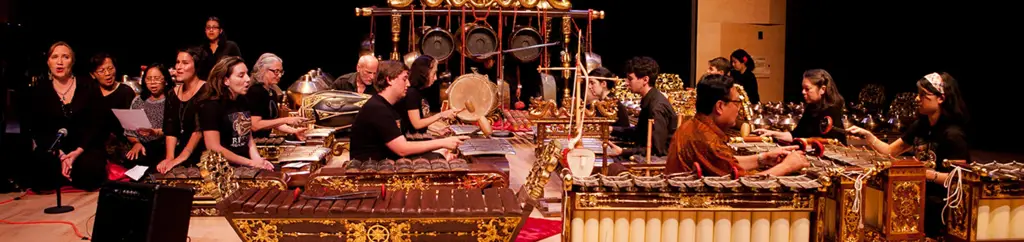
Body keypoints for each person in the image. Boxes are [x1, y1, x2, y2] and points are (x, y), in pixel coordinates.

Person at [846, 72, 970, 239]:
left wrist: (924, 174)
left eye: (923, 95)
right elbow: (890, 152)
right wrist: (868, 136)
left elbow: (959, 180)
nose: (917, 99)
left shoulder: (953, 134)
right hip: (919, 198)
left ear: (941, 98)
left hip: (942, 205)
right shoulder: (921, 125)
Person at [666, 74, 808, 176]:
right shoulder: (705, 139)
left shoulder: (695, 125)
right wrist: (787, 166)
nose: (739, 108)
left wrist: (763, 159)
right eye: (737, 102)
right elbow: (748, 186)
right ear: (720, 106)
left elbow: (726, 164)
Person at [26, 41, 107, 191]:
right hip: (55, 149)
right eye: (55, 57)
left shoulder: (88, 86)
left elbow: (97, 124)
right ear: (48, 62)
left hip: (84, 147)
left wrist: (77, 152)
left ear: (73, 61)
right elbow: (37, 128)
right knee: (40, 172)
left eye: (65, 57)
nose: (60, 62)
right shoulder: (40, 90)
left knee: (90, 172)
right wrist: (61, 155)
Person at [349, 60, 469, 161]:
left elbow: (401, 142)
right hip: (370, 169)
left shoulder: (387, 106)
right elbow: (402, 149)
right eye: (404, 79)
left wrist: (439, 147)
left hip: (386, 160)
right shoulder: (377, 109)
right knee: (440, 156)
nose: (408, 83)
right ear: (389, 79)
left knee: (440, 154)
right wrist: (443, 143)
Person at [197, 56, 273, 170]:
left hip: (245, 164)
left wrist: (258, 159)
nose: (248, 79)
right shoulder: (211, 106)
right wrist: (251, 163)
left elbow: (247, 137)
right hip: (222, 170)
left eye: (247, 74)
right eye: (241, 75)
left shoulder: (243, 100)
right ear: (226, 80)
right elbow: (213, 147)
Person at [606, 57, 677, 160]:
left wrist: (623, 151)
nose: (626, 83)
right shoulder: (650, 99)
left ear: (645, 80)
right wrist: (612, 130)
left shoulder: (656, 108)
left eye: (630, 79)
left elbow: (658, 150)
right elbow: (640, 133)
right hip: (646, 156)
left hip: (657, 162)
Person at [755, 69, 847, 144]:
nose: (803, 92)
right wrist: (772, 134)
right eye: (803, 88)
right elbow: (795, 135)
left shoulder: (832, 110)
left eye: (807, 89)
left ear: (822, 89)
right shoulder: (812, 108)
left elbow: (832, 143)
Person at [156, 47, 209, 173]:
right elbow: (170, 129)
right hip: (180, 153)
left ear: (196, 66)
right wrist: (170, 158)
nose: (178, 67)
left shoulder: (207, 90)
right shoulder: (172, 94)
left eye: (185, 63)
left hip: (203, 154)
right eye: (177, 62)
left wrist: (180, 158)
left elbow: (198, 131)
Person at [90, 52, 137, 165]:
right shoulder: (90, 92)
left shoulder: (125, 92)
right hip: (93, 144)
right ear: (93, 75)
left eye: (110, 68)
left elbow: (132, 124)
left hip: (121, 145)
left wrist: (136, 143)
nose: (108, 74)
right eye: (101, 71)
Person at [247, 53, 307, 139]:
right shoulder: (255, 92)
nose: (279, 75)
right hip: (253, 143)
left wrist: (294, 131)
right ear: (263, 70)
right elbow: (255, 125)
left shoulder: (272, 92)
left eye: (281, 72)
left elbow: (273, 122)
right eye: (276, 71)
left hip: (264, 140)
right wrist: (286, 119)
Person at [395, 55, 461, 134]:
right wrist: (441, 115)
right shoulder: (411, 93)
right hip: (411, 141)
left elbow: (420, 121)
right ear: (424, 73)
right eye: (434, 73)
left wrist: (437, 131)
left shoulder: (419, 92)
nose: (435, 78)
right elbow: (417, 124)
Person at [124, 64, 172, 168]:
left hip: (166, 145)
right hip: (144, 145)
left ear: (165, 80)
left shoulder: (172, 100)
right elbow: (130, 131)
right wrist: (136, 143)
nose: (152, 82)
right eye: (149, 79)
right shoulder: (138, 101)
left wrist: (153, 132)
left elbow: (174, 129)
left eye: (157, 78)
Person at [585, 67, 630, 132]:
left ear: (603, 84)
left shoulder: (616, 105)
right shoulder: (599, 103)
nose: (589, 86)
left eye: (592, 83)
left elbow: (626, 130)